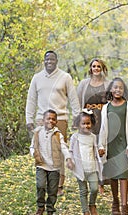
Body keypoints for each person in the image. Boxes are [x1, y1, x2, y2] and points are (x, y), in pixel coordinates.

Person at [26, 50, 81, 196]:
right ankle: (43, 181)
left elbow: (73, 99)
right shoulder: (37, 78)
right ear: (44, 61)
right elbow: (31, 99)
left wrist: (77, 117)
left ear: (56, 61)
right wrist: (28, 119)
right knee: (41, 150)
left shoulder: (65, 77)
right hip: (41, 119)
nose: (49, 61)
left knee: (58, 151)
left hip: (60, 118)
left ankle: (58, 184)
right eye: (47, 59)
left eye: (52, 59)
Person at [98, 77, 128, 215]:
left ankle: (124, 206)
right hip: (110, 145)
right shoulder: (106, 107)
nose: (118, 90)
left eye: (120, 87)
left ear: (123, 90)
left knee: (123, 175)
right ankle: (115, 202)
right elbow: (103, 128)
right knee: (113, 176)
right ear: (111, 90)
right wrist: (101, 145)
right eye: (115, 87)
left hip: (124, 144)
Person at [30, 109, 74, 215]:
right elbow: (32, 146)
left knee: (53, 190)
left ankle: (50, 209)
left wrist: (68, 158)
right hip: (41, 165)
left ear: (56, 121)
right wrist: (34, 155)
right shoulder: (37, 133)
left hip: (54, 167)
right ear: (43, 120)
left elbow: (63, 147)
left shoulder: (58, 134)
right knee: (40, 185)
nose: (51, 121)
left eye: (53, 119)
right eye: (48, 118)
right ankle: (41, 206)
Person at [76, 58, 110, 193]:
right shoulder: (84, 84)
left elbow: (112, 102)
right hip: (88, 121)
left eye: (99, 66)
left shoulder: (108, 84)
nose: (96, 68)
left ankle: (103, 182)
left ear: (102, 68)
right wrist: (79, 119)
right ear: (90, 68)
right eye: (94, 66)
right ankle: (91, 179)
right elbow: (78, 103)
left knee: (102, 150)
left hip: (103, 119)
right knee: (90, 152)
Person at [69, 109, 103, 215]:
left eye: (88, 123)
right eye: (83, 124)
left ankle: (92, 204)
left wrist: (100, 152)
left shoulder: (93, 137)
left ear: (91, 123)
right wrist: (70, 160)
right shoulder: (75, 137)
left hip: (92, 168)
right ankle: (85, 210)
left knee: (94, 189)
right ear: (78, 124)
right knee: (83, 191)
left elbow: (96, 150)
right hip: (80, 169)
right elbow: (70, 151)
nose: (86, 126)